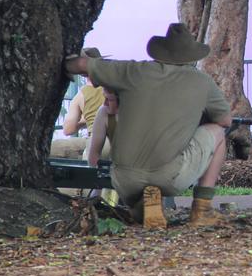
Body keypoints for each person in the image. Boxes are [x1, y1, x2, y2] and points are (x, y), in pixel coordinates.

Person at [63, 23, 232, 229]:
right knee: (218, 132)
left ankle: (144, 205)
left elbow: (80, 64)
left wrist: (66, 64)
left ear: (160, 51)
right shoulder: (202, 81)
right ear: (191, 56)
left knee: (137, 209)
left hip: (124, 178)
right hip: (169, 176)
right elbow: (225, 121)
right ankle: (202, 209)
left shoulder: (133, 70)